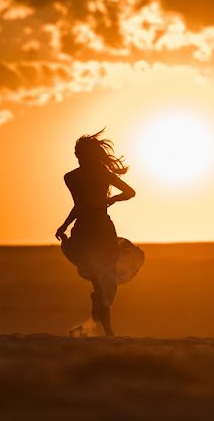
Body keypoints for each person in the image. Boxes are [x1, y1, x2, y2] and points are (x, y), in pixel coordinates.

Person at [56, 129, 144, 337]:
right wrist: (65, 224)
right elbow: (81, 205)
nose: (78, 156)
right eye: (77, 153)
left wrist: (66, 224)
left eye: (81, 153)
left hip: (93, 228)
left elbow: (129, 192)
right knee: (103, 279)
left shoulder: (79, 176)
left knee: (104, 279)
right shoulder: (84, 176)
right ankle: (106, 327)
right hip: (95, 228)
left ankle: (100, 323)